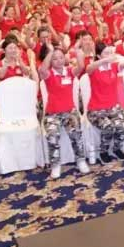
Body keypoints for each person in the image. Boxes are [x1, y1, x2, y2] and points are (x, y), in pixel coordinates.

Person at [38, 43, 90, 179]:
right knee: (52, 136)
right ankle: (55, 164)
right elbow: (42, 69)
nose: (59, 61)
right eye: (55, 59)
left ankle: (80, 160)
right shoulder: (48, 74)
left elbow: (81, 67)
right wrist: (50, 52)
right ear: (51, 60)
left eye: (61, 57)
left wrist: (78, 52)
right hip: (52, 113)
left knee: (76, 135)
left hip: (69, 112)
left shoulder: (69, 72)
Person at [85, 43, 124, 164]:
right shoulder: (94, 69)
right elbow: (88, 68)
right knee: (108, 126)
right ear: (99, 56)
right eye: (106, 53)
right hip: (96, 109)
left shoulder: (114, 66)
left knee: (122, 127)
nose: (109, 55)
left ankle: (116, 148)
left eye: (110, 52)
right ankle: (103, 152)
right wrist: (104, 61)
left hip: (113, 107)